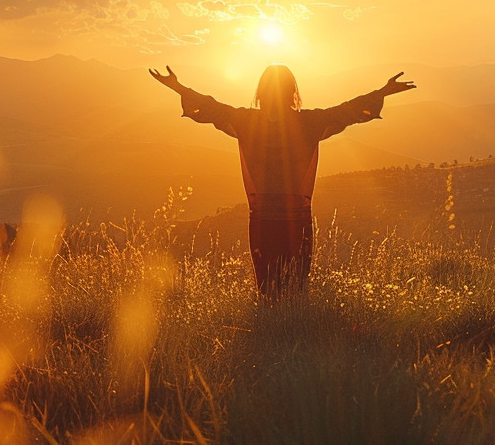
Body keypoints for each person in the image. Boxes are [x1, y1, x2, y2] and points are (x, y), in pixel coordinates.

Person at [150, 64, 415, 297]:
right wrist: (383, 91)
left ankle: (273, 334)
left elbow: (212, 109)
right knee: (294, 286)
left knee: (268, 287)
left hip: (265, 217)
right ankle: (288, 332)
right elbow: (347, 111)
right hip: (293, 216)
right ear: (292, 92)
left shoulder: (247, 121)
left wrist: (177, 87)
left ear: (261, 93)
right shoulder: (308, 122)